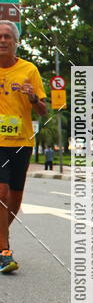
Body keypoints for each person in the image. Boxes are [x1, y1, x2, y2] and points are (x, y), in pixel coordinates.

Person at [0, 21, 47, 273]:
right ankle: (4, 251)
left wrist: (32, 98)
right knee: (1, 192)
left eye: (8, 36)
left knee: (15, 197)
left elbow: (42, 109)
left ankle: (0, 238)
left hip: (22, 142)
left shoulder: (29, 70)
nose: (3, 40)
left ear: (15, 42)